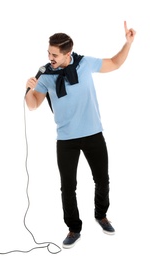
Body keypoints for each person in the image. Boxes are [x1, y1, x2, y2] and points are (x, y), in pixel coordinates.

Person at [25, 21, 136, 249]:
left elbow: (115, 63)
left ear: (68, 54)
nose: (50, 57)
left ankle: (101, 216)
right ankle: (74, 228)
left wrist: (128, 43)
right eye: (48, 52)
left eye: (54, 54)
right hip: (66, 139)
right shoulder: (45, 74)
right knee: (68, 186)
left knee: (102, 179)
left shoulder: (85, 64)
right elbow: (33, 104)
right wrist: (28, 89)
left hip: (93, 133)